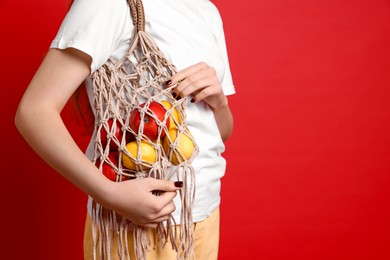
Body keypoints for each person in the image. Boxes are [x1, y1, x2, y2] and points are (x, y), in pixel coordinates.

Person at [15, 0, 235, 259]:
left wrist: (219, 101)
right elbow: (33, 110)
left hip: (204, 213)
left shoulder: (206, 10)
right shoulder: (108, 4)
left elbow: (219, 132)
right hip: (141, 226)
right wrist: (111, 195)